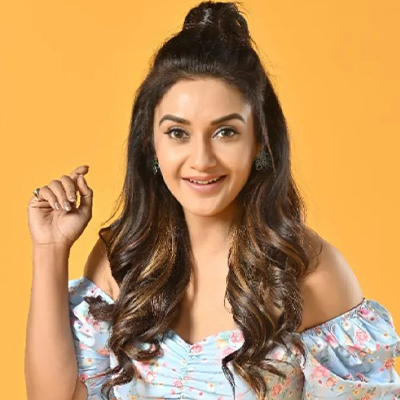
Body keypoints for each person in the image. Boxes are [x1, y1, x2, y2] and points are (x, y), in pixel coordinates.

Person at [25, 1, 400, 399]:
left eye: (226, 132)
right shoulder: (124, 259)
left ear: (260, 142)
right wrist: (50, 250)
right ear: (151, 144)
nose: (201, 160)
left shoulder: (310, 273)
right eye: (178, 133)